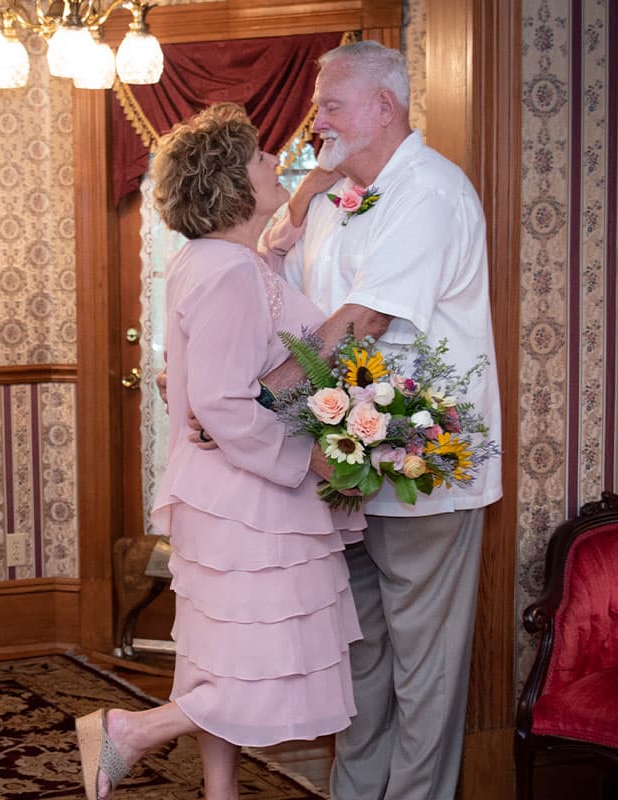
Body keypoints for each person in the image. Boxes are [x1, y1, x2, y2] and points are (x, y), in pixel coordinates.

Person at [74, 102, 365, 800]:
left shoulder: (219, 261)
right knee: (261, 668)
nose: (274, 162)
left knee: (221, 660)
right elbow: (227, 404)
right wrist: (313, 462)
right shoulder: (228, 273)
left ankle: (219, 792)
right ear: (232, 183)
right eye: (263, 157)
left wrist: (303, 196)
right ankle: (132, 732)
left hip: (227, 501)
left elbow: (262, 282)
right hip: (250, 507)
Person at [258, 40, 503, 800]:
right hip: (342, 468)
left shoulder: (431, 190)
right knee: (359, 658)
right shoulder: (332, 200)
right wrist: (301, 199)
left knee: (423, 668)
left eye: (332, 103)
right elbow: (287, 298)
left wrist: (263, 398)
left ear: (383, 108)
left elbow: (360, 321)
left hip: (426, 462)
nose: (316, 118)